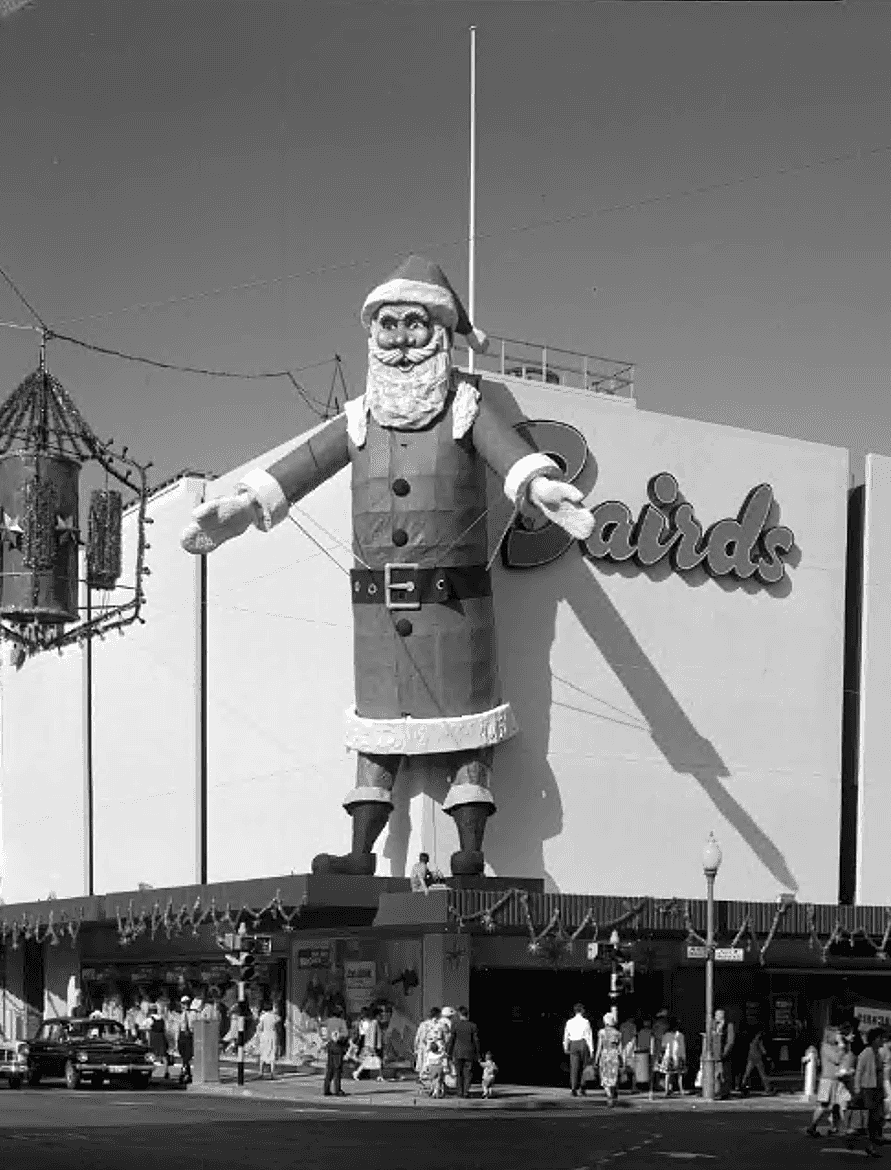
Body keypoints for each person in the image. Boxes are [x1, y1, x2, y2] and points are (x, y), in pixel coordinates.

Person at [181, 255, 594, 881]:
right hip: (378, 613)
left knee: (466, 730)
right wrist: (243, 507)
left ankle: (472, 851)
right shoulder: (357, 418)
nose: (400, 343)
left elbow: (513, 459)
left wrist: (540, 487)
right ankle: (359, 852)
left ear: (443, 333)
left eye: (414, 325)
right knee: (376, 734)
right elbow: (302, 465)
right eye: (388, 326)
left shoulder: (466, 407)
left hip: (457, 609)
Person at [847, 1026, 885, 1157]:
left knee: (873, 1119)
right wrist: (857, 1089)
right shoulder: (866, 1053)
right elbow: (859, 1072)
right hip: (867, 1089)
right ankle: (868, 1144)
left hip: (876, 1089)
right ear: (874, 1039)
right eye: (881, 1038)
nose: (883, 1041)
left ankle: (868, 1143)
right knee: (869, 1119)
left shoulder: (877, 1053)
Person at [448, 1005, 481, 1098]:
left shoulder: (455, 1025)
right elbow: (476, 1041)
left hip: (457, 1052)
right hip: (469, 1052)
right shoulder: (473, 1026)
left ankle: (459, 1092)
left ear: (459, 1014)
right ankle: (466, 1091)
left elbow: (451, 1040)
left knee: (459, 1073)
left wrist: (448, 1052)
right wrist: (478, 1054)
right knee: (468, 1073)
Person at [563, 1002, 594, 1098]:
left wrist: (565, 1046)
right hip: (582, 1043)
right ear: (582, 1011)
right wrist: (591, 1049)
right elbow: (589, 1036)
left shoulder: (569, 1022)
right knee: (584, 1066)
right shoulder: (586, 1022)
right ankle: (582, 1087)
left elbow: (566, 1036)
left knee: (574, 1067)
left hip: (573, 1043)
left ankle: (573, 1088)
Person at [596, 1012, 623, 1105]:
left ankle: (609, 1095)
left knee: (604, 1077)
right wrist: (622, 1060)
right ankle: (613, 1093)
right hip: (614, 1055)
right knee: (613, 1075)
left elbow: (599, 1047)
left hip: (605, 1055)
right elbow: (620, 1048)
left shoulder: (602, 1032)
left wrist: (596, 1059)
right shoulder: (618, 1033)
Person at [353, 1006, 384, 1081]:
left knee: (376, 1061)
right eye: (380, 1015)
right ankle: (357, 1072)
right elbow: (373, 1035)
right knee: (371, 1061)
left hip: (371, 1045)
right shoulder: (374, 1023)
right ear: (377, 1015)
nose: (382, 1016)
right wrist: (373, 1047)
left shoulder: (373, 1022)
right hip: (372, 1046)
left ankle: (380, 1075)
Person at [741, 1027, 774, 1096]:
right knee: (762, 1074)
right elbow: (762, 1049)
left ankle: (743, 1087)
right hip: (757, 1057)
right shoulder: (758, 1040)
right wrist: (766, 1055)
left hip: (751, 1057)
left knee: (747, 1074)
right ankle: (768, 1088)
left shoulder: (750, 1040)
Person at [658, 1017, 687, 1097]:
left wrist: (661, 1055)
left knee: (668, 1074)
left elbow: (663, 1046)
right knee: (679, 1074)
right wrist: (684, 1057)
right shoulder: (680, 1035)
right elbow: (682, 1047)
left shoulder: (667, 1035)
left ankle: (667, 1090)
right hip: (679, 1056)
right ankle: (681, 1090)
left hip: (669, 1055)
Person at [710, 1009, 735, 1099]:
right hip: (714, 1053)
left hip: (723, 1054)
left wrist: (725, 1053)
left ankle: (724, 1092)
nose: (716, 1017)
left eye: (717, 1015)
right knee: (715, 1074)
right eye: (715, 1015)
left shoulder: (728, 1025)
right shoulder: (713, 1025)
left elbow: (730, 1041)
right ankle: (716, 1091)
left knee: (724, 1074)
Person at [414, 1007, 441, 1078]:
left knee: (423, 1064)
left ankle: (423, 1079)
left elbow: (418, 1037)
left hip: (423, 1047)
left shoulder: (423, 1024)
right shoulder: (437, 1024)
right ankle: (431, 1081)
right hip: (432, 1047)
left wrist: (416, 1047)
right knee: (431, 1064)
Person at [322, 1024, 346, 1097]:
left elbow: (326, 1048)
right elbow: (342, 1051)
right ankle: (337, 1091)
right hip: (337, 1063)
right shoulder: (338, 1045)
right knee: (337, 1078)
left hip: (330, 1063)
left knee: (328, 1077)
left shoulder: (330, 1044)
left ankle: (326, 1090)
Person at [256, 1001, 278, 1079]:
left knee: (263, 1053)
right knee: (272, 1053)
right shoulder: (274, 1017)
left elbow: (259, 1027)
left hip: (264, 1035)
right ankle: (272, 1073)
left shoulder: (263, 1017)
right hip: (272, 1035)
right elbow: (278, 1021)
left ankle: (261, 1072)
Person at [177, 995, 195, 1085]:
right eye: (184, 1003)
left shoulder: (193, 1013)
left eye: (187, 1003)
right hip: (182, 1035)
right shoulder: (181, 1015)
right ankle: (187, 1073)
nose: (185, 1005)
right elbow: (179, 1027)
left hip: (190, 1036)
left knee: (187, 1056)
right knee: (184, 1056)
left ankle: (184, 1072)